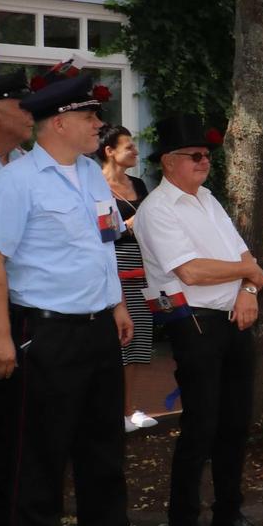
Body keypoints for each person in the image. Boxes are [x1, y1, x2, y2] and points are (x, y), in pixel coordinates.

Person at [0, 72, 164, 526]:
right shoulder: (16, 182)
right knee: (41, 449)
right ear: (59, 123)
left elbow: (105, 242)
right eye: (90, 118)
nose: (99, 126)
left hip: (97, 326)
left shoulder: (90, 173)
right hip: (44, 329)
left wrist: (115, 304)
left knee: (101, 441)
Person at [135, 114, 263, 526]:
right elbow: (191, 271)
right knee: (200, 426)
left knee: (235, 421)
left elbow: (245, 256)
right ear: (168, 162)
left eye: (206, 156)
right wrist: (247, 275)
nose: (203, 162)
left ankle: (228, 515)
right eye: (194, 156)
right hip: (193, 320)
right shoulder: (157, 210)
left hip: (232, 315)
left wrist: (250, 290)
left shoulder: (208, 199)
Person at [0, 71, 31, 526]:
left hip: (21, 310)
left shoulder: (26, 166)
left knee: (11, 420)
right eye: (20, 106)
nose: (29, 115)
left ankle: (6, 518)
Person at [98, 123, 159, 432]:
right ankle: (113, 410)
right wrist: (130, 223)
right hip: (116, 264)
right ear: (109, 151)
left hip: (142, 266)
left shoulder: (138, 183)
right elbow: (104, 232)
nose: (135, 150)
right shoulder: (97, 185)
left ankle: (131, 407)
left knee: (140, 341)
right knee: (119, 341)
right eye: (128, 146)